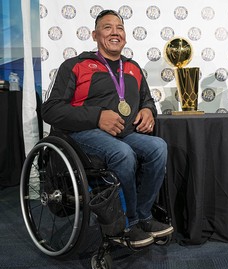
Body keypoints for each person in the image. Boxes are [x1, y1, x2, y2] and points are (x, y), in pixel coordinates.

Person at [41, 9, 173, 247]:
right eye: (108, 27)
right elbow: (50, 109)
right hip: (82, 134)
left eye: (119, 28)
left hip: (124, 133)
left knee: (158, 147)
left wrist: (148, 111)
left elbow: (146, 100)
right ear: (94, 35)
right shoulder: (76, 65)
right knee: (122, 154)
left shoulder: (133, 68)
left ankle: (143, 216)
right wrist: (97, 116)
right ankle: (128, 222)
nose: (115, 32)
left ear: (125, 36)